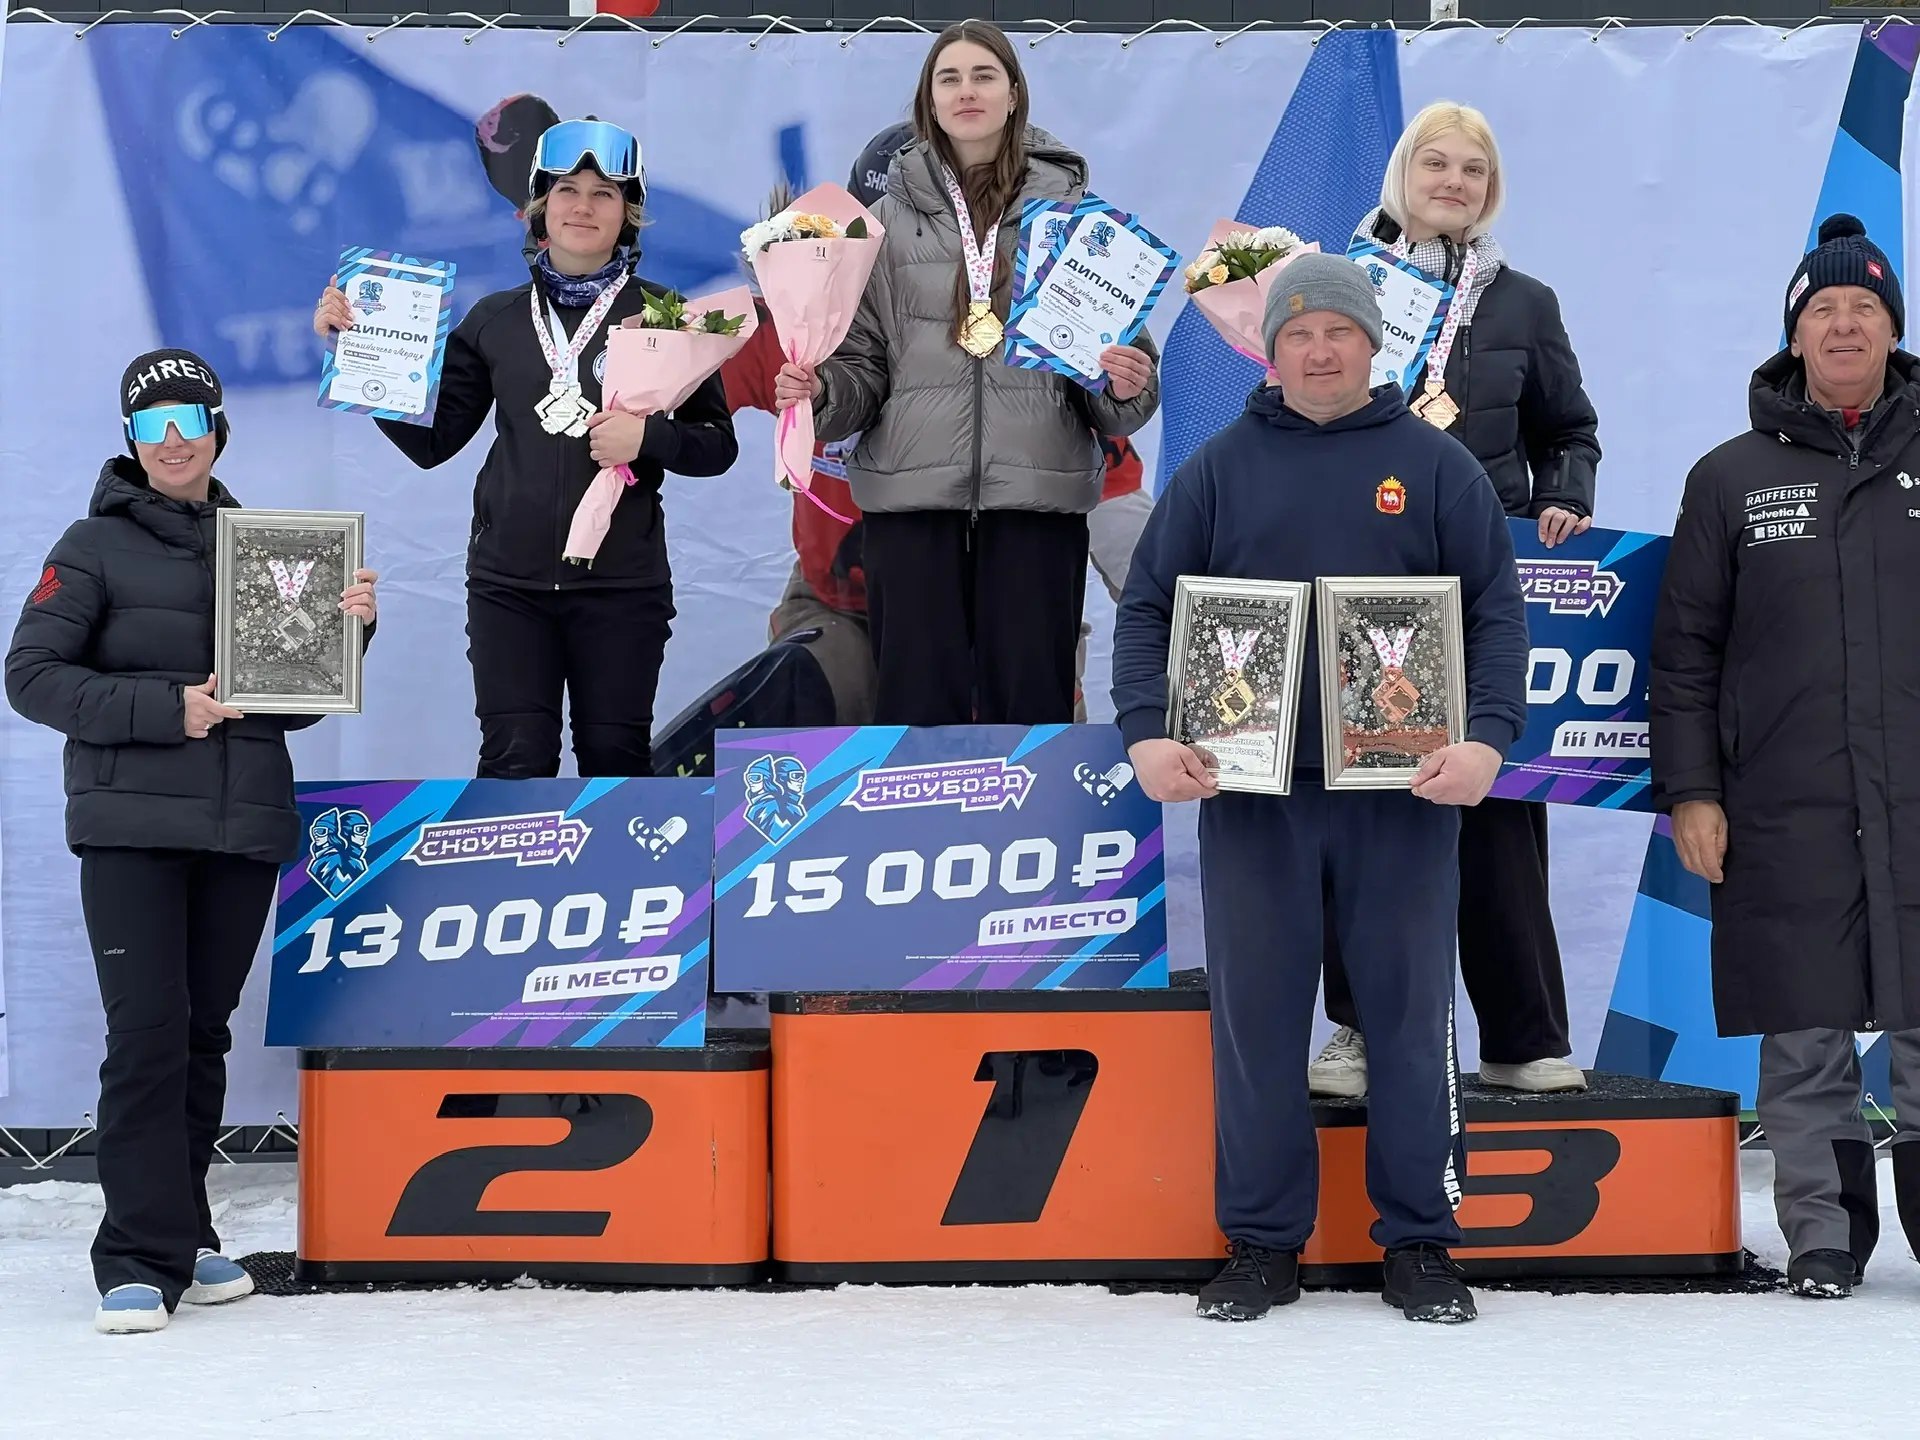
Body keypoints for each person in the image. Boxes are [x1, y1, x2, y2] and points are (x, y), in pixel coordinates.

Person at [1111, 256, 1528, 1325]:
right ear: (1272, 349)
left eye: (1339, 331)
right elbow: (1148, 605)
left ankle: (1421, 1242)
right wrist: (1147, 732)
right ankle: (1261, 1243)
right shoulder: (1220, 467)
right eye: (1299, 333)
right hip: (1254, 796)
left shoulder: (1434, 466)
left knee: (1409, 1020)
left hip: (1404, 795)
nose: (1320, 350)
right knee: (1256, 1022)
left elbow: (1495, 609)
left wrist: (1487, 739)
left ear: (1372, 342)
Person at [5, 349, 378, 1334]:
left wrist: (345, 635)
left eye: (188, 419)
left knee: (201, 1035)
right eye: (150, 423)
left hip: (240, 824)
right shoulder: (90, 546)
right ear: (129, 439)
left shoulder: (267, 550)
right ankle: (135, 1255)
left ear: (218, 428)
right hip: (131, 825)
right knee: (146, 1036)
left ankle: (184, 1233)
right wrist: (168, 708)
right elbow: (31, 676)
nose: (172, 440)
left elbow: (287, 706)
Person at [1651, 213, 1920, 1299]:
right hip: (1782, 802)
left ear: (1892, 331)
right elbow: (1686, 655)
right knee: (1804, 1028)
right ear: (1794, 334)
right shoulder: (1729, 477)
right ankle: (1822, 1239)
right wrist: (1692, 792)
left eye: (1864, 308)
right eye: (1824, 310)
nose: (1844, 325)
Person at [1311, 100, 1601, 1100]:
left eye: (1473, 169)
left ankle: (1523, 1039)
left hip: (1486, 582)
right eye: (1436, 164)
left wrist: (1564, 494)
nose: (1454, 183)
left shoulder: (1525, 303)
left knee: (1500, 815)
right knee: (1365, 818)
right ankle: (1356, 1033)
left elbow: (1568, 429)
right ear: (1404, 173)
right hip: (1368, 580)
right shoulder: (1345, 286)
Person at [313, 117, 737, 778]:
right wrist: (355, 356)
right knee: (515, 761)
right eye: (568, 190)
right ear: (541, 206)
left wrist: (648, 437)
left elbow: (717, 446)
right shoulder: (495, 318)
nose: (583, 207)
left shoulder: (667, 316)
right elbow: (434, 442)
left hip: (622, 588)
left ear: (628, 213)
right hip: (508, 588)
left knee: (615, 762)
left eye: (603, 194)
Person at [773, 20, 1160, 727]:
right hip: (911, 505)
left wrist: (1124, 383)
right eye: (948, 78)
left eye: (984, 75)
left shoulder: (1075, 218)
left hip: (1036, 502)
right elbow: (861, 367)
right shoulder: (878, 226)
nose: (966, 91)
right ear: (930, 101)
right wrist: (824, 392)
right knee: (918, 718)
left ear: (1014, 94)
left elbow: (1117, 376)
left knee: (1031, 714)